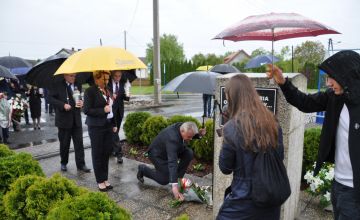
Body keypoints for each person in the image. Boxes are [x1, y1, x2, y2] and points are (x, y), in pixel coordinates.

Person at [266, 50, 360, 219]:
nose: (329, 83)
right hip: (338, 184)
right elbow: (305, 102)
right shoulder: (335, 97)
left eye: (332, 76)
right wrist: (283, 83)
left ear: (346, 76)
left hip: (355, 191)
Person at [217, 74, 284, 220]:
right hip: (271, 199)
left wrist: (226, 135)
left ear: (232, 97)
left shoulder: (231, 128)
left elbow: (225, 167)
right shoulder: (272, 121)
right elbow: (280, 156)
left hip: (243, 202)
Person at [137, 122, 206, 200]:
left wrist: (199, 135)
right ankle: (143, 169)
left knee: (188, 153)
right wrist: (174, 186)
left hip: (171, 150)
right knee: (164, 180)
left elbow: (189, 134)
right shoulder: (172, 139)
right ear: (182, 131)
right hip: (157, 155)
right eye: (189, 137)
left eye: (191, 137)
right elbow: (172, 162)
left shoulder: (183, 126)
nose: (190, 139)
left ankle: (178, 180)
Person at [49, 73, 90, 173]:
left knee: (79, 143)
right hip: (63, 120)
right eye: (71, 76)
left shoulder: (77, 84)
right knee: (64, 143)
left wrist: (81, 102)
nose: (73, 78)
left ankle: (81, 164)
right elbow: (50, 99)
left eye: (75, 76)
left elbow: (79, 98)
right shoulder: (57, 84)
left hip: (76, 119)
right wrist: (63, 105)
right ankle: (63, 163)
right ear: (65, 75)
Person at [83, 71, 115, 191]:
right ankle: (99, 180)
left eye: (107, 79)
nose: (106, 82)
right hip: (95, 126)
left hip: (107, 125)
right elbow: (87, 110)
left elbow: (111, 110)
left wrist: (114, 123)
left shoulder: (108, 90)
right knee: (97, 153)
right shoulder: (89, 91)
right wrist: (103, 110)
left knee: (106, 153)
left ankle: (105, 178)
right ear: (96, 79)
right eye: (103, 79)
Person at [107, 70, 130, 164]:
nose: (117, 78)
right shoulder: (107, 84)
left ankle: (111, 150)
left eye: (119, 76)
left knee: (114, 131)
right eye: (116, 76)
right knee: (114, 132)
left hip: (119, 111)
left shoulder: (122, 84)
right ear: (112, 76)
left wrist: (128, 95)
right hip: (110, 112)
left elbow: (124, 97)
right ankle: (119, 154)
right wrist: (112, 95)